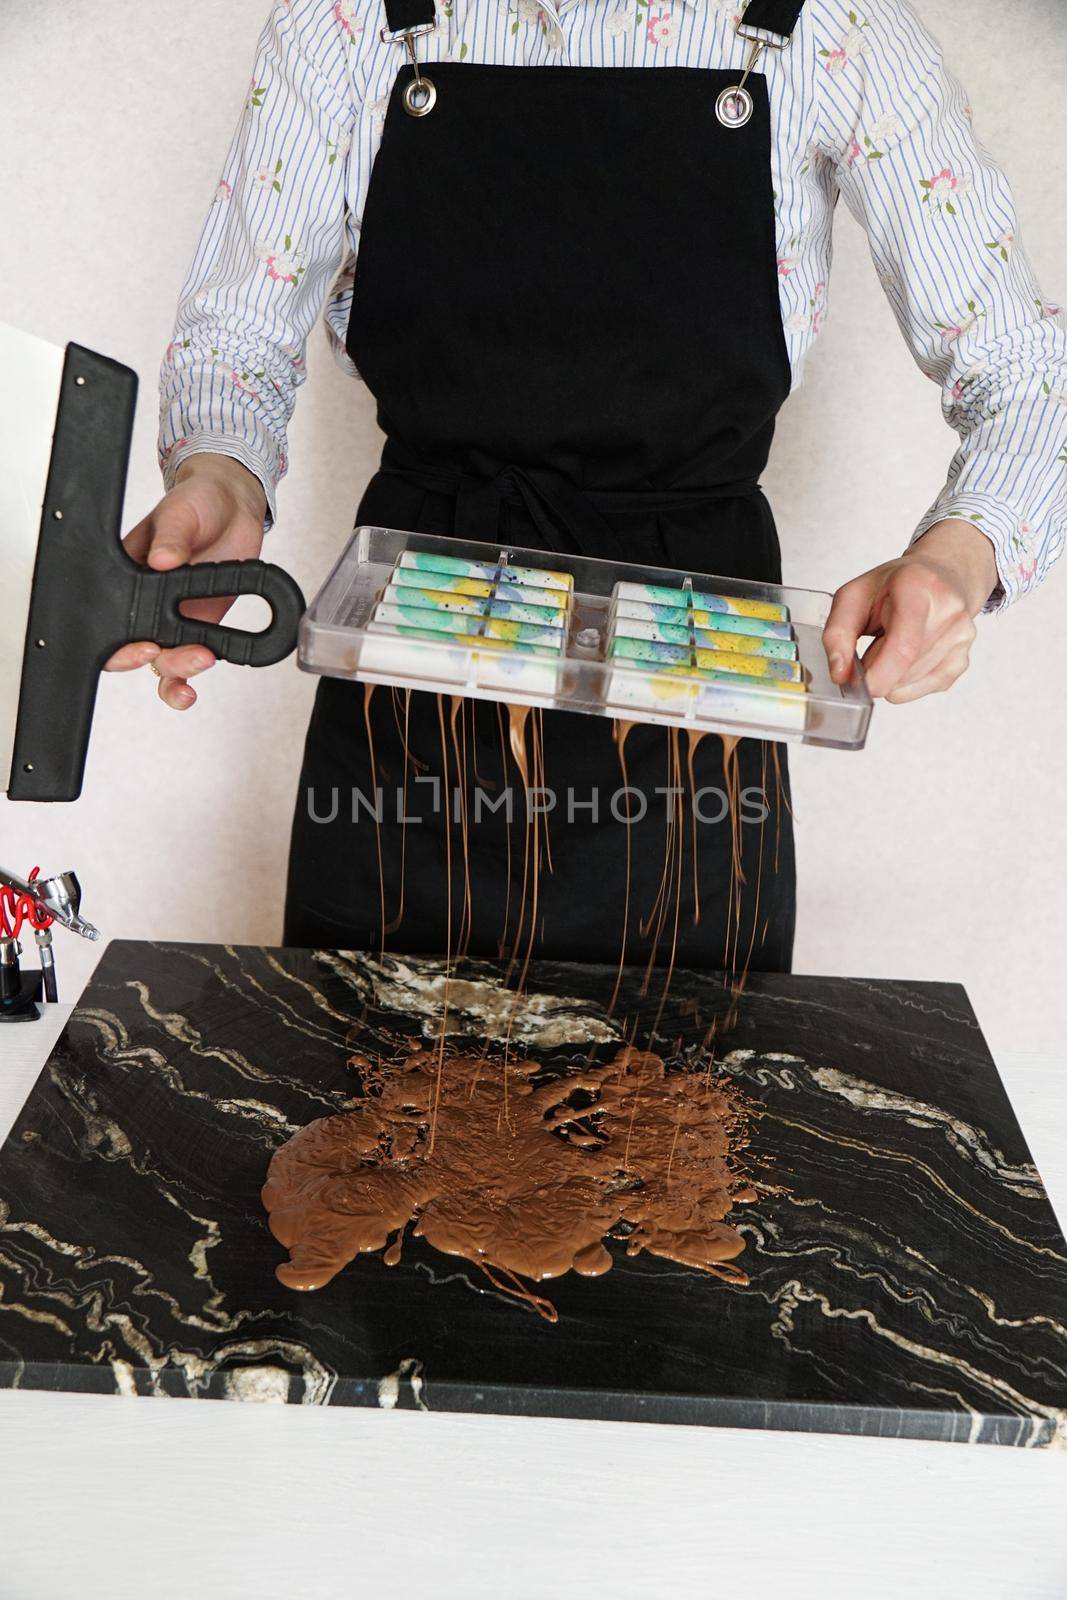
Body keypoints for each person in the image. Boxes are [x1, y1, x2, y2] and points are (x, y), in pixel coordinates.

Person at [106, 0, 1066, 971]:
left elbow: (1027, 375)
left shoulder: (830, 29)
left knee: (680, 1112)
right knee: (373, 1106)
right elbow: (236, 342)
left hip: (697, 710)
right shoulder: (352, 22)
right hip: (408, 687)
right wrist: (220, 470)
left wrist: (960, 550)